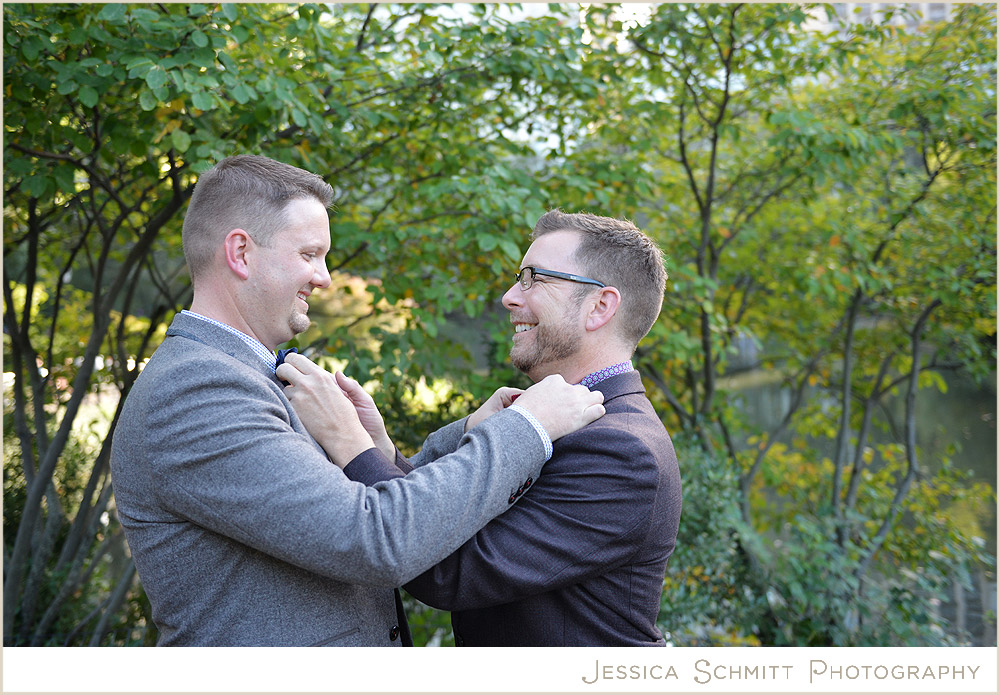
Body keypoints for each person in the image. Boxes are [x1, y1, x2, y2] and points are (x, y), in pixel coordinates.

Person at [109, 156, 605, 646]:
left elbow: (354, 504)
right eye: (309, 254)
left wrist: (459, 436)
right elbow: (375, 538)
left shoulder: (249, 374)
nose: (324, 278)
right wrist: (525, 429)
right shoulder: (199, 391)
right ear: (240, 252)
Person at [285, 209, 682, 646]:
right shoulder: (565, 422)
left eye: (534, 278)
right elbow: (445, 519)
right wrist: (380, 451)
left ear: (600, 307)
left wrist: (349, 443)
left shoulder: (621, 452)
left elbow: (444, 570)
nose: (510, 296)